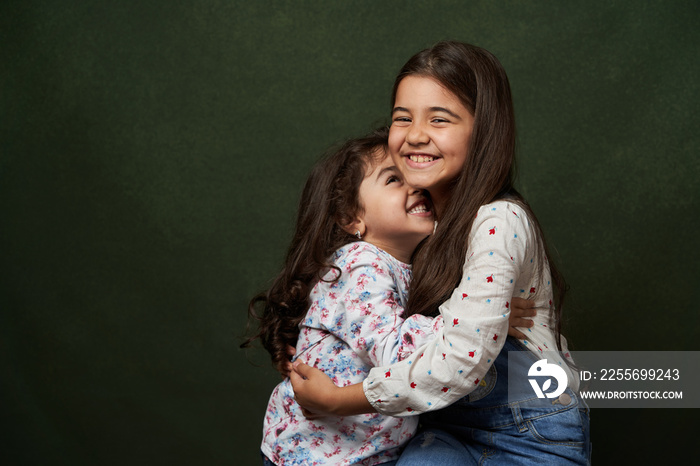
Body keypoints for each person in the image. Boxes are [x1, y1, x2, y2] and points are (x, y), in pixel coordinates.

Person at [290, 41, 591, 465]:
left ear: (483, 130)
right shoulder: (417, 228)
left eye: (439, 119)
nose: (415, 135)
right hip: (440, 425)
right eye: (402, 118)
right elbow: (363, 317)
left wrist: (340, 401)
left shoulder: (498, 222)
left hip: (529, 431)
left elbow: (458, 359)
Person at [242, 128, 536, 465]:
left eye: (414, 176)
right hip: (314, 456)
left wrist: (488, 307)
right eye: (394, 179)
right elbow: (395, 351)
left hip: (368, 453)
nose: (415, 186)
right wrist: (481, 319)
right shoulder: (360, 264)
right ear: (352, 218)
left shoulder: (409, 268)